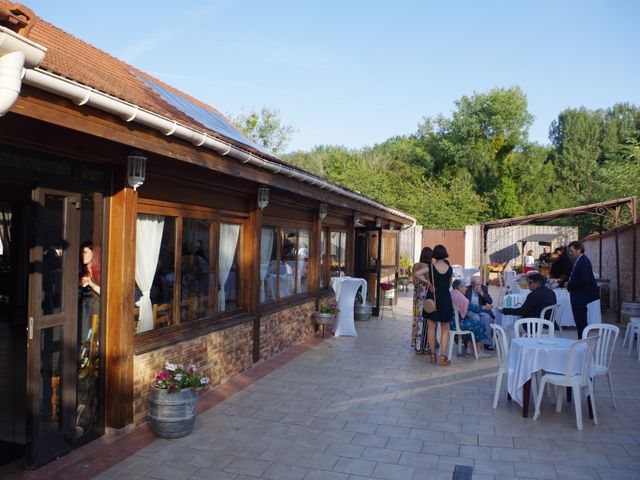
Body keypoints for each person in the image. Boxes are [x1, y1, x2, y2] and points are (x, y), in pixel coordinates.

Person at [425, 244, 453, 366]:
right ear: (445, 253)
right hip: (445, 298)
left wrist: (429, 283)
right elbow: (449, 285)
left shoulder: (430, 267)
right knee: (445, 329)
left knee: (431, 327)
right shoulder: (450, 269)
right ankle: (443, 357)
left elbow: (416, 273)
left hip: (433, 298)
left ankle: (432, 355)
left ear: (434, 254)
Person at [451, 279, 491, 358]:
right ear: (460, 287)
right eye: (464, 287)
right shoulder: (459, 296)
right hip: (458, 324)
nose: (466, 288)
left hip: (452, 323)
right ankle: (479, 351)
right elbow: (473, 307)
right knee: (480, 325)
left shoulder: (453, 293)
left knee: (473, 322)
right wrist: (485, 307)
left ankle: (469, 350)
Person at [567, 241, 599, 339]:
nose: (570, 253)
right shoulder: (579, 260)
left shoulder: (584, 261)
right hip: (577, 295)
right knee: (579, 320)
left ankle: (583, 341)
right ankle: (582, 339)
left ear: (579, 250)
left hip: (580, 296)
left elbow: (584, 280)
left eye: (572, 251)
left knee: (581, 320)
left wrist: (570, 284)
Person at [412, 247, 433, 354]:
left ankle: (417, 345)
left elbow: (414, 279)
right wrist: (427, 282)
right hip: (425, 297)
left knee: (416, 320)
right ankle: (424, 346)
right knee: (425, 322)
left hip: (416, 297)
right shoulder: (427, 267)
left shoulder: (415, 265)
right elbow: (429, 282)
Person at [464, 277, 495, 350]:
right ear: (472, 284)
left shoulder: (484, 288)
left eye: (479, 284)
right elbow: (465, 304)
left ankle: (487, 343)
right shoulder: (467, 289)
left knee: (487, 318)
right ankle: (474, 342)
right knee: (476, 318)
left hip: (482, 310)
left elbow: (490, 301)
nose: (478, 286)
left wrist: (481, 293)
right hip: (470, 310)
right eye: (476, 284)